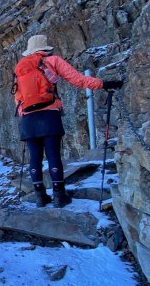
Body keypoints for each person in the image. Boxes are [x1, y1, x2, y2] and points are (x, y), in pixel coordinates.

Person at [13, 34, 123, 208]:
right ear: (45, 49)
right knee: (53, 155)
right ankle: (59, 196)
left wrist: (24, 114)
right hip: (49, 114)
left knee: (34, 157)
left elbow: (17, 97)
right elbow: (78, 79)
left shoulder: (21, 68)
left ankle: (40, 197)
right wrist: (103, 84)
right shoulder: (53, 61)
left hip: (28, 118)